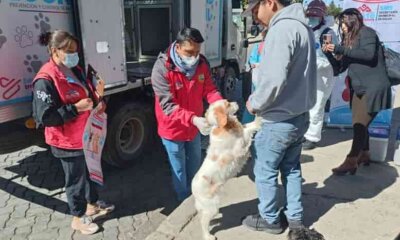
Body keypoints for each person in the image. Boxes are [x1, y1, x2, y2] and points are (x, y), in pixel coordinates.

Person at [241, 0, 317, 236]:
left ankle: (270, 219)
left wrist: (254, 103)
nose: (255, 16)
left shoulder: (281, 29)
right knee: (292, 168)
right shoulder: (302, 26)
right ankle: (294, 218)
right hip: (298, 115)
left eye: (255, 10)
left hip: (277, 120)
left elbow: (273, 79)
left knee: (265, 172)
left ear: (270, 2)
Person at [32, 30, 114, 235]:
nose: (73, 55)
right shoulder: (45, 78)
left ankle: (92, 204)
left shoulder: (75, 68)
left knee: (90, 173)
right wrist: (75, 109)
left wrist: (97, 96)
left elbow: (86, 99)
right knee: (75, 180)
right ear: (54, 51)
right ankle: (78, 218)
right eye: (68, 51)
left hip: (86, 136)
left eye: (75, 50)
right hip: (66, 141)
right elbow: (45, 117)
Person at [151, 28, 223, 201]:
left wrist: (219, 104)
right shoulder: (161, 69)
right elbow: (168, 105)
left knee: (195, 163)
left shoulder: (202, 64)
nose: (193, 57)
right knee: (179, 169)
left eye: (197, 52)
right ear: (177, 47)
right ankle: (184, 200)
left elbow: (209, 89)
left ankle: (196, 194)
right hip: (173, 129)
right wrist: (193, 119)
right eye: (189, 52)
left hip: (194, 128)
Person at [323, 8, 392, 175]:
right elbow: (340, 67)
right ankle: (365, 154)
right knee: (360, 124)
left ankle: (351, 159)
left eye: (343, 23)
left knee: (361, 124)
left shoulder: (367, 33)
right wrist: (330, 54)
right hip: (359, 89)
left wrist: (340, 49)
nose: (342, 27)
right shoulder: (349, 39)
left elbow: (368, 55)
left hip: (373, 88)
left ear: (352, 20)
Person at [303, 0, 339, 150]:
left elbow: (328, 59)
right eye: (310, 15)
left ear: (322, 16)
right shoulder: (306, 30)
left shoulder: (327, 34)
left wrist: (309, 64)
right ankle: (304, 133)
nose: (312, 19)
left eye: (315, 16)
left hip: (322, 76)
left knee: (317, 106)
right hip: (307, 76)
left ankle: (312, 137)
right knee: (305, 105)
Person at [242, 29, 267, 124]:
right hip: (261, 80)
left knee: (253, 99)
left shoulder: (258, 46)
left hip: (257, 79)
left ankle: (247, 123)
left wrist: (257, 64)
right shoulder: (263, 46)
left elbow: (251, 62)